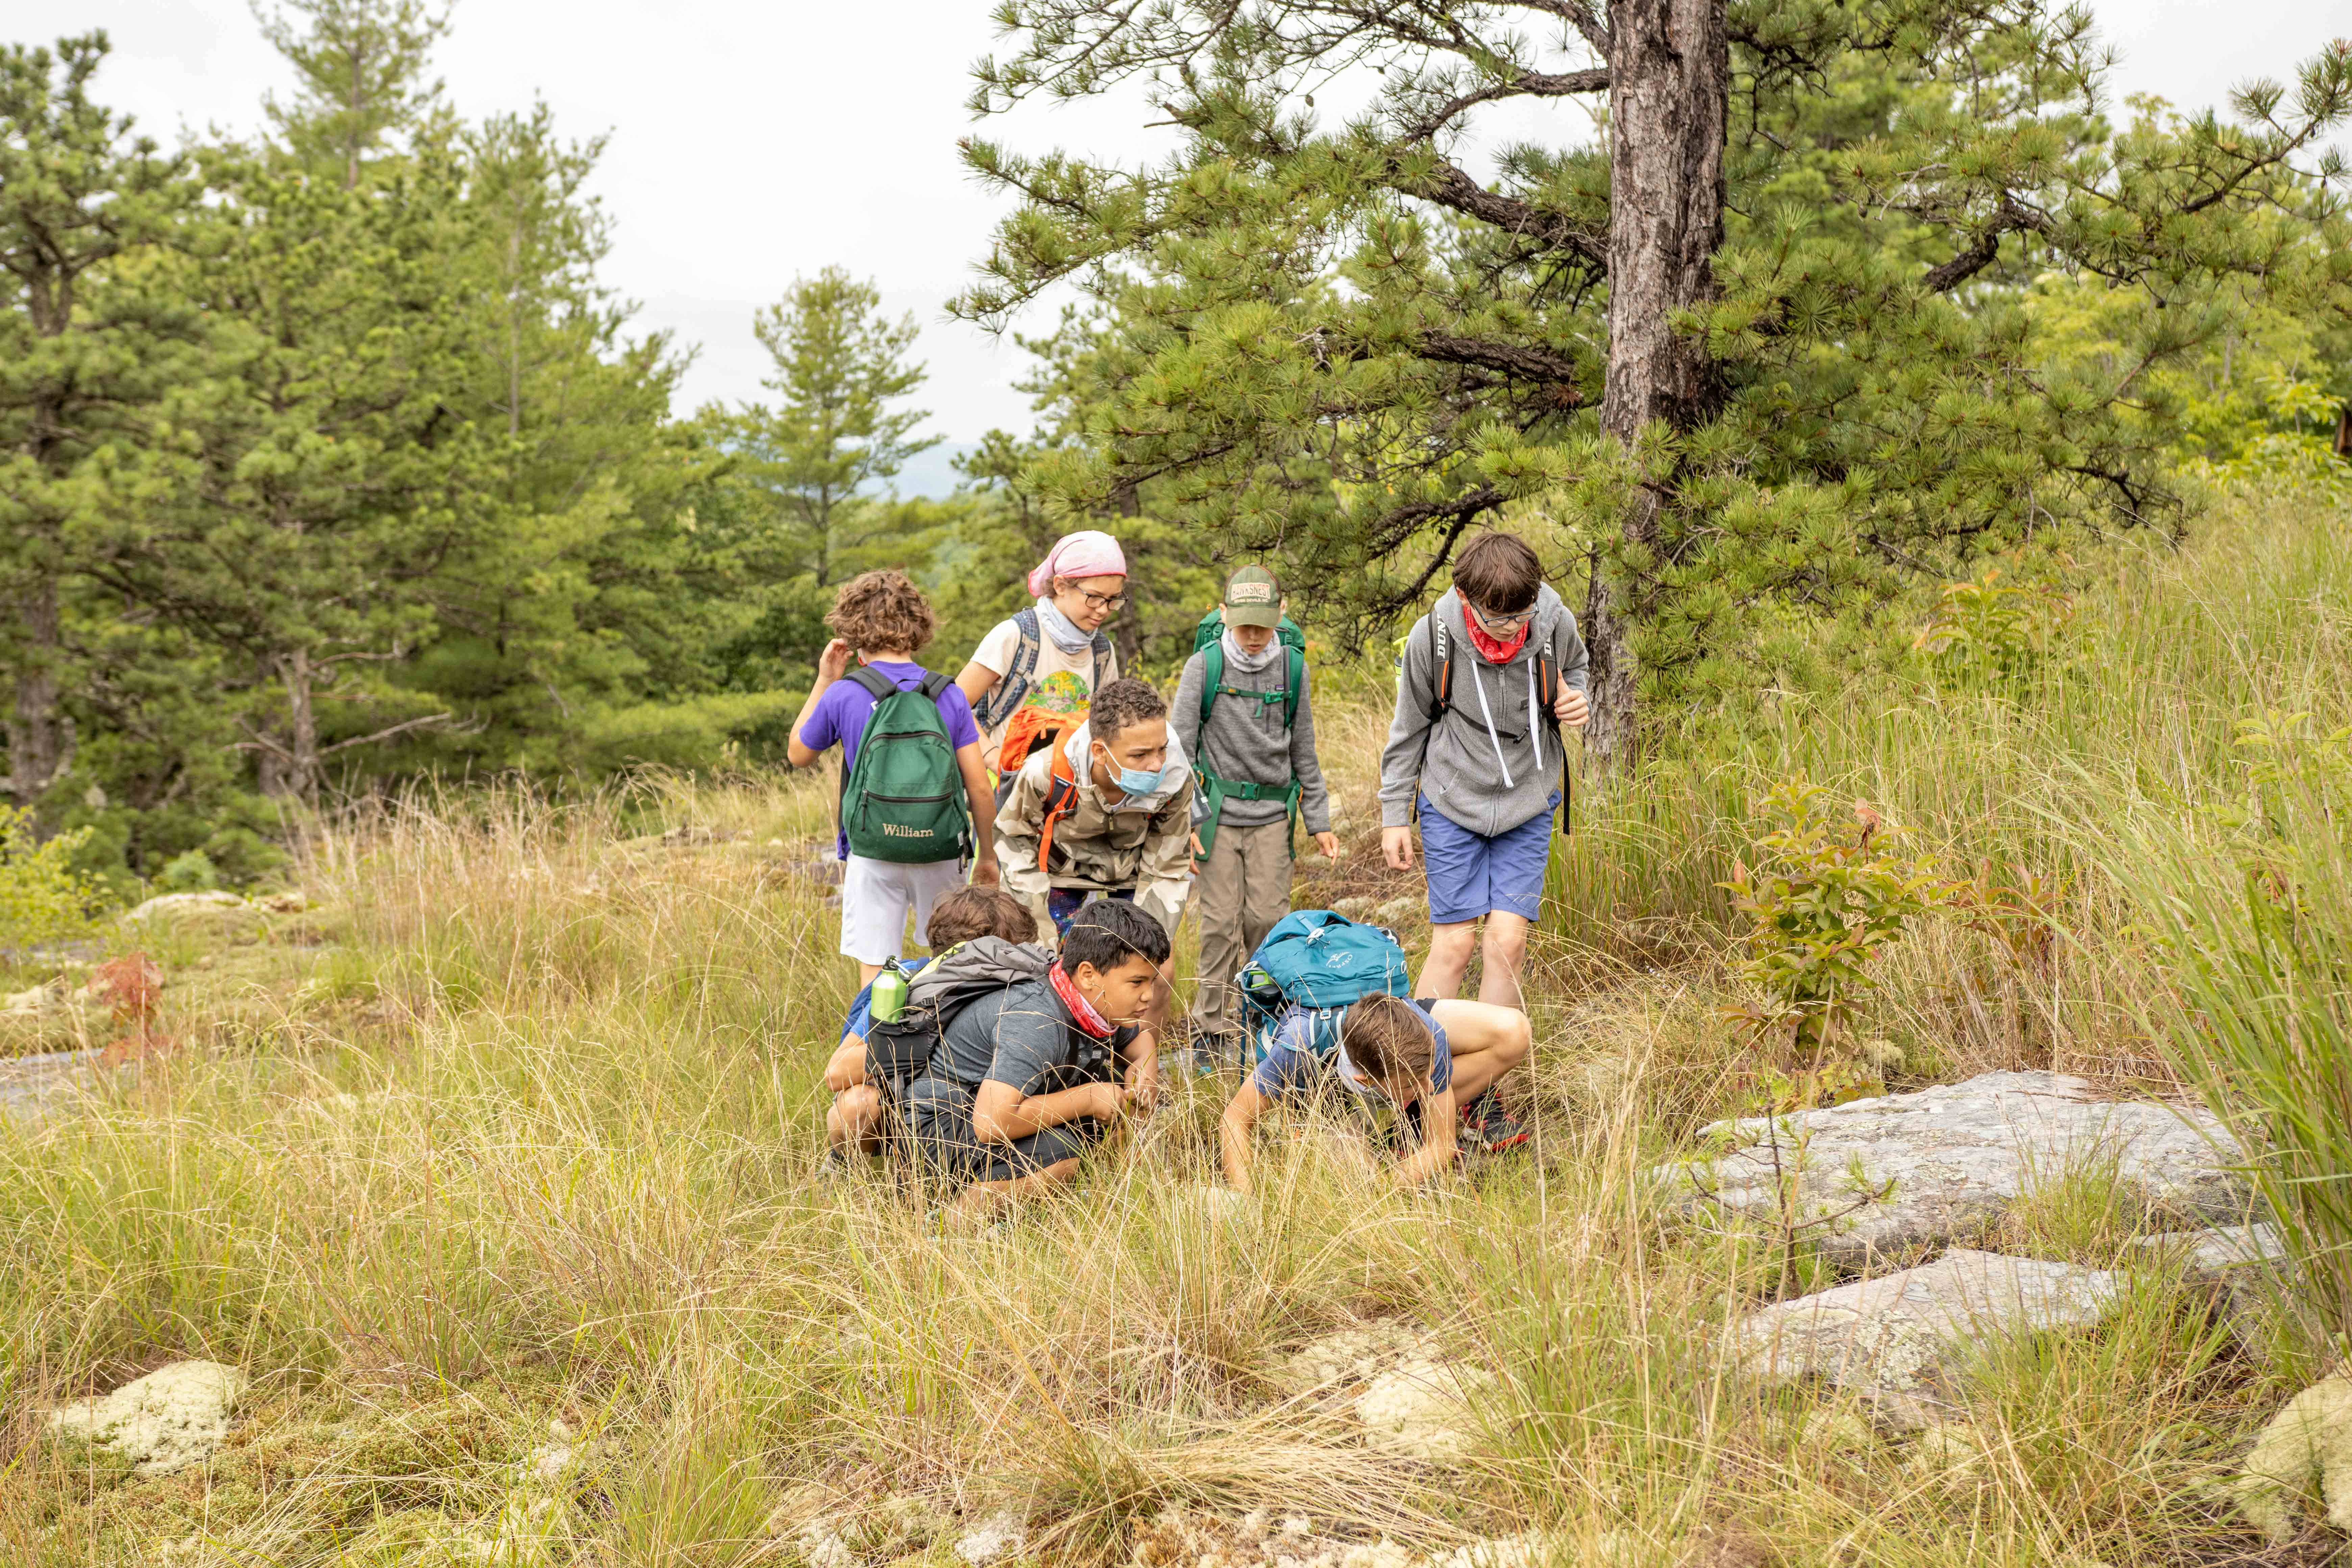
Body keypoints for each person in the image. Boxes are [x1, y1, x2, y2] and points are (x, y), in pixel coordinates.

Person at [1378, 531, 1589, 1026]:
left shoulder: (1554, 622)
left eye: (1521, 615)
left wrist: (1577, 698)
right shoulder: (1433, 637)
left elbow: (1578, 670)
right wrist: (1394, 816)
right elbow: (1409, 729)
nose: (1512, 628)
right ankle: (1416, 1063)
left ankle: (1488, 1067)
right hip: (1452, 799)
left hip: (1529, 797)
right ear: (1465, 597)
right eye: (1497, 618)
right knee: (1455, 945)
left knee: (1507, 944)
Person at [788, 570, 998, 986]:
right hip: (940, 845)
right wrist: (987, 855)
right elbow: (978, 786)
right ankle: (945, 1024)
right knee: (949, 955)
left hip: (872, 847)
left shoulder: (845, 692)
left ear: (852, 631)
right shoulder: (948, 693)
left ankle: (880, 1027)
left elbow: (799, 754)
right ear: (919, 625)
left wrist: (826, 678)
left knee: (876, 965)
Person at [899, 900, 1168, 1217]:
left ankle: (1092, 1195)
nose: (1149, 995)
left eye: (1152, 981)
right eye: (1137, 982)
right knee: (1061, 1155)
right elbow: (990, 1124)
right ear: (1088, 975)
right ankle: (949, 1226)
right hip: (938, 1126)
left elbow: (1141, 1041)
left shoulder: (1097, 1006)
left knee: (1118, 1095)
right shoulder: (1036, 1019)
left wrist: (1144, 1077)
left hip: (989, 1112)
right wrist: (1088, 1098)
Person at [1171, 565, 1339, 1067]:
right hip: (1217, 815)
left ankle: (1265, 1023)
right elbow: (1179, 750)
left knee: (1268, 922)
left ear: (1280, 614)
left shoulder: (1292, 667)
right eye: (1243, 625)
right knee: (1220, 924)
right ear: (1224, 614)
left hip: (1272, 814)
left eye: (1262, 626)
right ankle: (1210, 1032)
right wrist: (1185, 822)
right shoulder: (1203, 666)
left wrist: (1320, 821)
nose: (1252, 636)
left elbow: (1304, 748)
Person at [1217, 990, 1534, 1192]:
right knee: (1353, 1182)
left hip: (1384, 1030)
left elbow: (1442, 1146)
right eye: (1411, 1084)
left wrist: (1387, 1186)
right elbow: (1234, 1119)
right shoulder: (1298, 1048)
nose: (1431, 1088)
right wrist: (1246, 1200)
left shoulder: (1428, 1038)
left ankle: (1406, 1131)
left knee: (1514, 1031)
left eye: (1426, 1076)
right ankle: (1381, 1134)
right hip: (1324, 1084)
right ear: (1368, 1081)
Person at [825, 884, 1038, 1156]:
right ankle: (843, 1161)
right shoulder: (911, 984)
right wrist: (924, 1034)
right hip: (899, 1104)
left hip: (977, 1109)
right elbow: (837, 1073)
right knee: (858, 1105)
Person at [996, 677, 1194, 945]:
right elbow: (1015, 843)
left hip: (1134, 873)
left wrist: (1148, 945)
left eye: (1162, 750)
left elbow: (1167, 868)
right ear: (1100, 752)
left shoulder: (1176, 779)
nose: (1157, 765)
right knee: (1047, 956)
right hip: (1060, 872)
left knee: (1148, 957)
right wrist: (1040, 938)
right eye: (1140, 755)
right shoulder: (1045, 773)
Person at [955, 530, 1126, 795]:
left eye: (1113, 600)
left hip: (1068, 795)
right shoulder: (1017, 636)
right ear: (1060, 585)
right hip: (1005, 790)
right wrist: (992, 757)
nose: (1104, 609)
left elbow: (1108, 723)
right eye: (1094, 597)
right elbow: (955, 703)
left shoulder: (1102, 652)